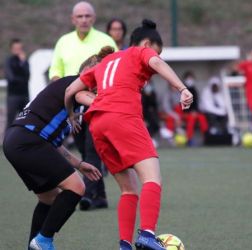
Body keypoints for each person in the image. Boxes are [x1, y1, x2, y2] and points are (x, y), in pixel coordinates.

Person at [64, 19, 193, 250]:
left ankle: (124, 244)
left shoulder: (105, 62)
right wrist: (182, 88)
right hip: (123, 118)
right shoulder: (140, 52)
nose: (156, 57)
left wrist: (72, 114)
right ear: (145, 43)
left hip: (98, 125)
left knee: (128, 189)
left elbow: (71, 90)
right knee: (152, 178)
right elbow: (156, 62)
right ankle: (147, 234)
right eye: (157, 50)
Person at [2, 48, 110, 249]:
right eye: (99, 72)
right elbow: (93, 100)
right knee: (77, 187)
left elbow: (53, 144)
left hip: (16, 141)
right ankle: (43, 241)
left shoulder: (71, 98)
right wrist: (113, 102)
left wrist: (78, 163)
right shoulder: (75, 85)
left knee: (49, 197)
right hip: (28, 141)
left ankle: (34, 245)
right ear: (86, 71)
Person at [49, 1, 118, 210]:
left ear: (93, 18)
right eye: (79, 16)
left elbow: (115, 70)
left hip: (98, 102)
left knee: (92, 149)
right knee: (84, 149)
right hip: (72, 104)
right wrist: (60, 94)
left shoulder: (106, 41)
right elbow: (55, 71)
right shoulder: (63, 42)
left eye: (87, 16)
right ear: (73, 19)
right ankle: (101, 196)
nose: (84, 20)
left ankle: (87, 195)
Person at [4, 38, 30, 129]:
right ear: (11, 49)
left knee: (25, 120)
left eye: (20, 48)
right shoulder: (9, 61)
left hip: (24, 95)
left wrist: (23, 63)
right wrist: (21, 79)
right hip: (13, 96)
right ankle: (6, 142)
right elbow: (11, 78)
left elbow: (28, 76)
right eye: (16, 48)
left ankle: (23, 141)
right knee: (10, 121)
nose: (18, 50)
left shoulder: (24, 62)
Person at [181, 71, 208, 146]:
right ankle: (189, 139)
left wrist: (196, 111)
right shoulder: (182, 90)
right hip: (185, 113)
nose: (190, 80)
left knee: (202, 117)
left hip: (194, 112)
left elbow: (196, 103)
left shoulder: (194, 90)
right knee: (191, 119)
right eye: (188, 78)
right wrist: (190, 111)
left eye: (191, 78)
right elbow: (182, 104)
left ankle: (206, 136)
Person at [142, 80, 160, 146]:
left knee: (155, 124)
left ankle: (150, 139)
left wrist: (149, 96)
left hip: (152, 115)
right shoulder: (141, 94)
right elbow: (142, 106)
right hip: (143, 115)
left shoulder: (153, 94)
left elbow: (154, 105)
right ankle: (148, 140)